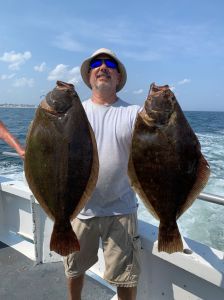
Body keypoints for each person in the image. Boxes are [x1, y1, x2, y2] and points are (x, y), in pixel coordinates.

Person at [63, 48, 142, 300]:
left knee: (126, 277)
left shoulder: (135, 113)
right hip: (79, 209)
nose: (103, 66)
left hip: (122, 209)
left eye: (110, 64)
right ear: (89, 77)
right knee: (74, 270)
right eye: (97, 63)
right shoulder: (73, 112)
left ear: (118, 78)